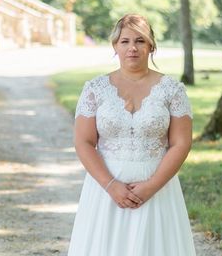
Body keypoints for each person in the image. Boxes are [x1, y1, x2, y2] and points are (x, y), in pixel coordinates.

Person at [67, 14, 196, 255]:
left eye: (140, 41)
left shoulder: (172, 90)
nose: (132, 48)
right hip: (106, 189)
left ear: (151, 46)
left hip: (157, 188)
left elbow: (181, 143)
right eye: (125, 41)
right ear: (115, 46)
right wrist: (111, 185)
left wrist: (151, 186)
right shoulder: (95, 89)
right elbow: (84, 142)